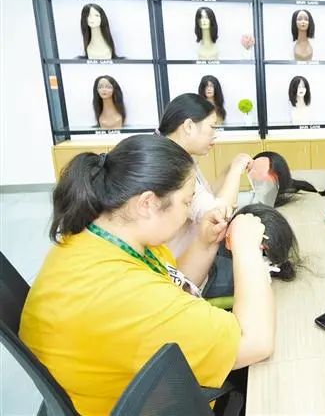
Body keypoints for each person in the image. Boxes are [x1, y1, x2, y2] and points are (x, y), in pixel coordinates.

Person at [19, 134, 274, 416]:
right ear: (147, 203)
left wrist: (204, 243)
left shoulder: (98, 238)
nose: (188, 213)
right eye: (186, 202)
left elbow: (171, 283)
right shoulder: (122, 293)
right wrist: (247, 248)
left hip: (114, 384)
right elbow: (255, 342)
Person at [158, 93, 252, 256]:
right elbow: (218, 214)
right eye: (212, 127)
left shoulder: (178, 154)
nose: (214, 134)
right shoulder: (172, 165)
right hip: (181, 261)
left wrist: (229, 169)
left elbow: (207, 194)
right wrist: (236, 170)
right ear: (189, 126)